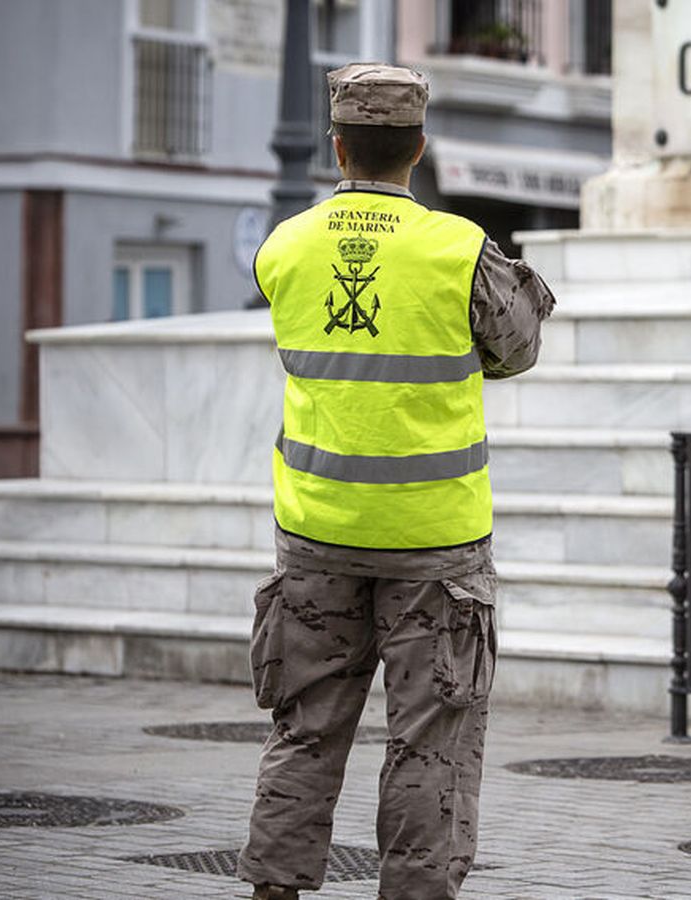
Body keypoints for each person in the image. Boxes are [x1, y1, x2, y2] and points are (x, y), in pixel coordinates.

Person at [236, 63, 554, 900]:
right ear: (419, 148)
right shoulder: (458, 249)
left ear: (337, 146)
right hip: (435, 543)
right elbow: (518, 348)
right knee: (430, 744)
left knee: (304, 729)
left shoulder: (284, 246)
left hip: (316, 532)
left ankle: (274, 889)